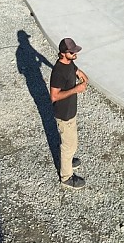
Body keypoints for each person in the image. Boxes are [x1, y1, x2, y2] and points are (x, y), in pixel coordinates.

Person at [49, 38, 88, 190]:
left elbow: (74, 70)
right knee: (69, 146)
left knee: (72, 143)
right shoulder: (58, 71)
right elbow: (54, 96)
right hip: (64, 115)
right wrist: (76, 90)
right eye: (72, 52)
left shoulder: (69, 63)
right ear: (62, 54)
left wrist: (81, 74)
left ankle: (68, 161)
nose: (75, 53)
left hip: (71, 112)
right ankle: (66, 177)